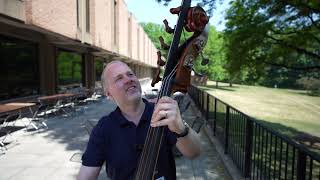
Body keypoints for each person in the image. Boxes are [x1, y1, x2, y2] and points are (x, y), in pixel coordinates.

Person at [77, 60, 201, 180]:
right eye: (119, 78)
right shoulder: (103, 129)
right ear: (109, 94)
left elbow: (194, 152)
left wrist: (181, 128)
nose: (128, 79)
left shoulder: (162, 112)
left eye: (130, 74)